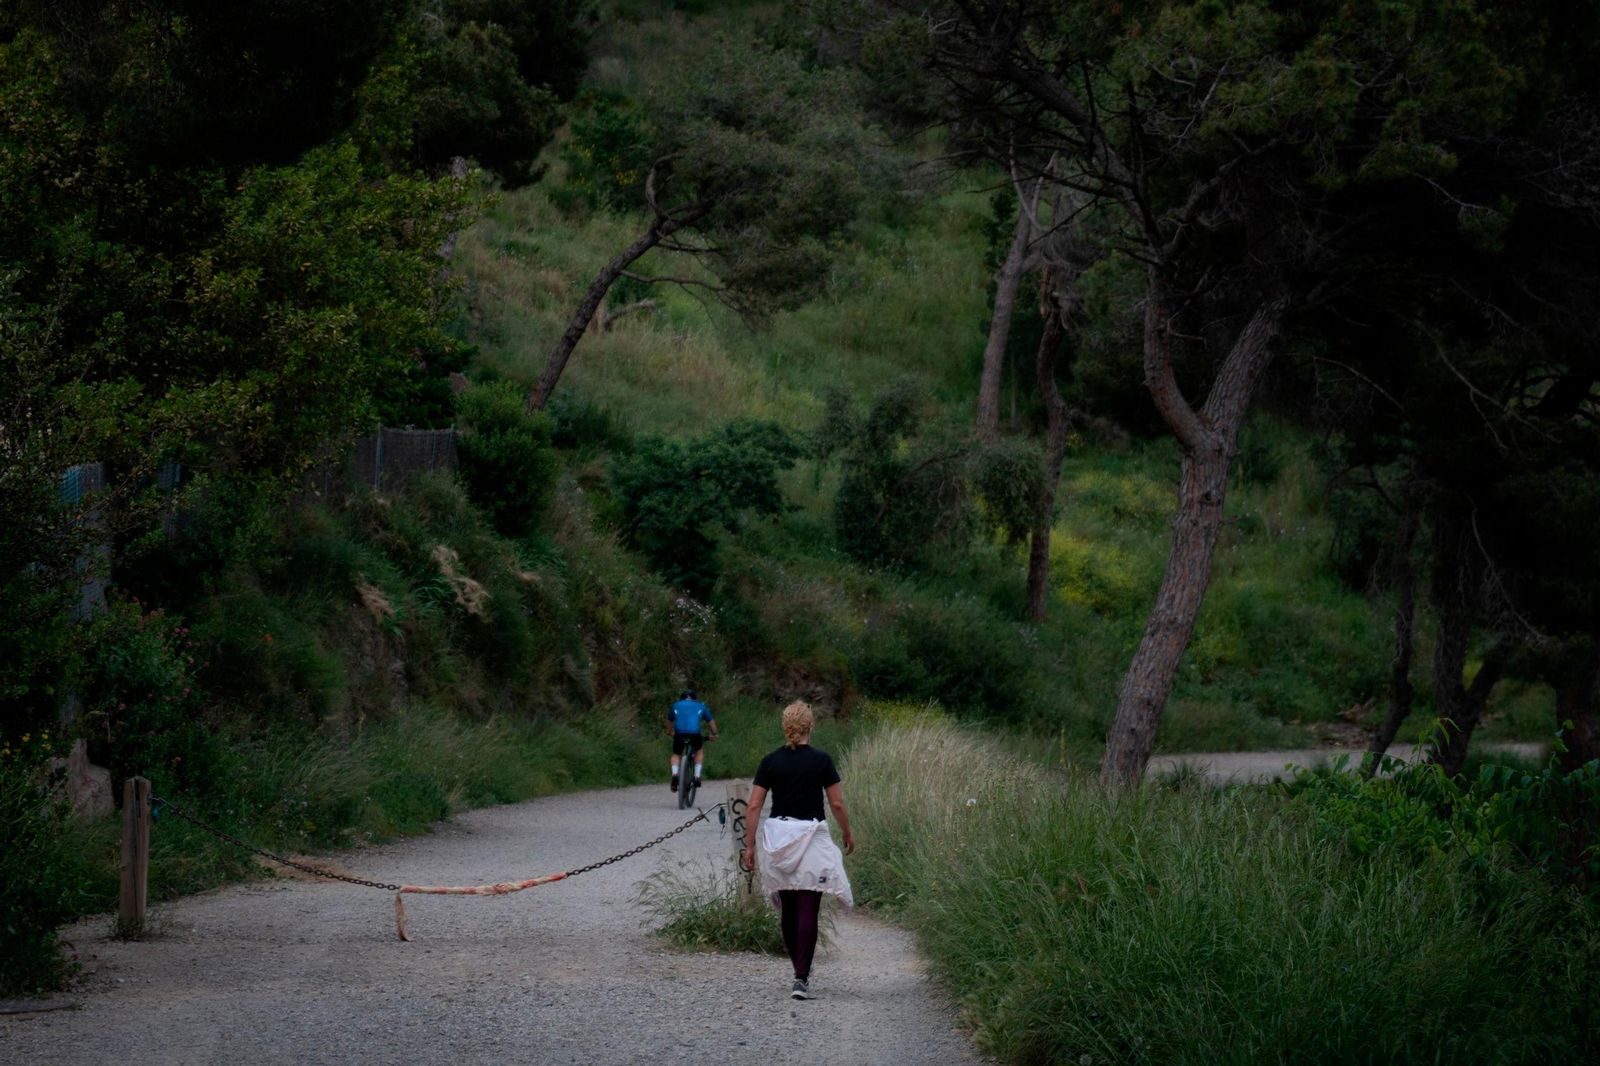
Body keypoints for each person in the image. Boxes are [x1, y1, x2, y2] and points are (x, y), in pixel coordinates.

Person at [740, 701, 856, 1000]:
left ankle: (798, 970)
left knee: (789, 908)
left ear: (785, 727)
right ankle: (801, 977)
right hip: (812, 839)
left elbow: (753, 805)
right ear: (810, 726)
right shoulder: (822, 760)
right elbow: (836, 803)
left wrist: (749, 845)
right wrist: (847, 831)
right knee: (808, 906)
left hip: (779, 840)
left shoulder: (770, 762)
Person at [667, 688, 717, 793]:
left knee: (676, 754)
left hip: (679, 733)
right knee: (699, 750)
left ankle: (675, 775)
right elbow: (711, 721)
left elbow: (670, 722)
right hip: (695, 734)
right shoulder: (701, 706)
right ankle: (697, 776)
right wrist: (714, 733)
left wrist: (670, 732)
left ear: (682, 698)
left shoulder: (675, 705)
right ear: (694, 698)